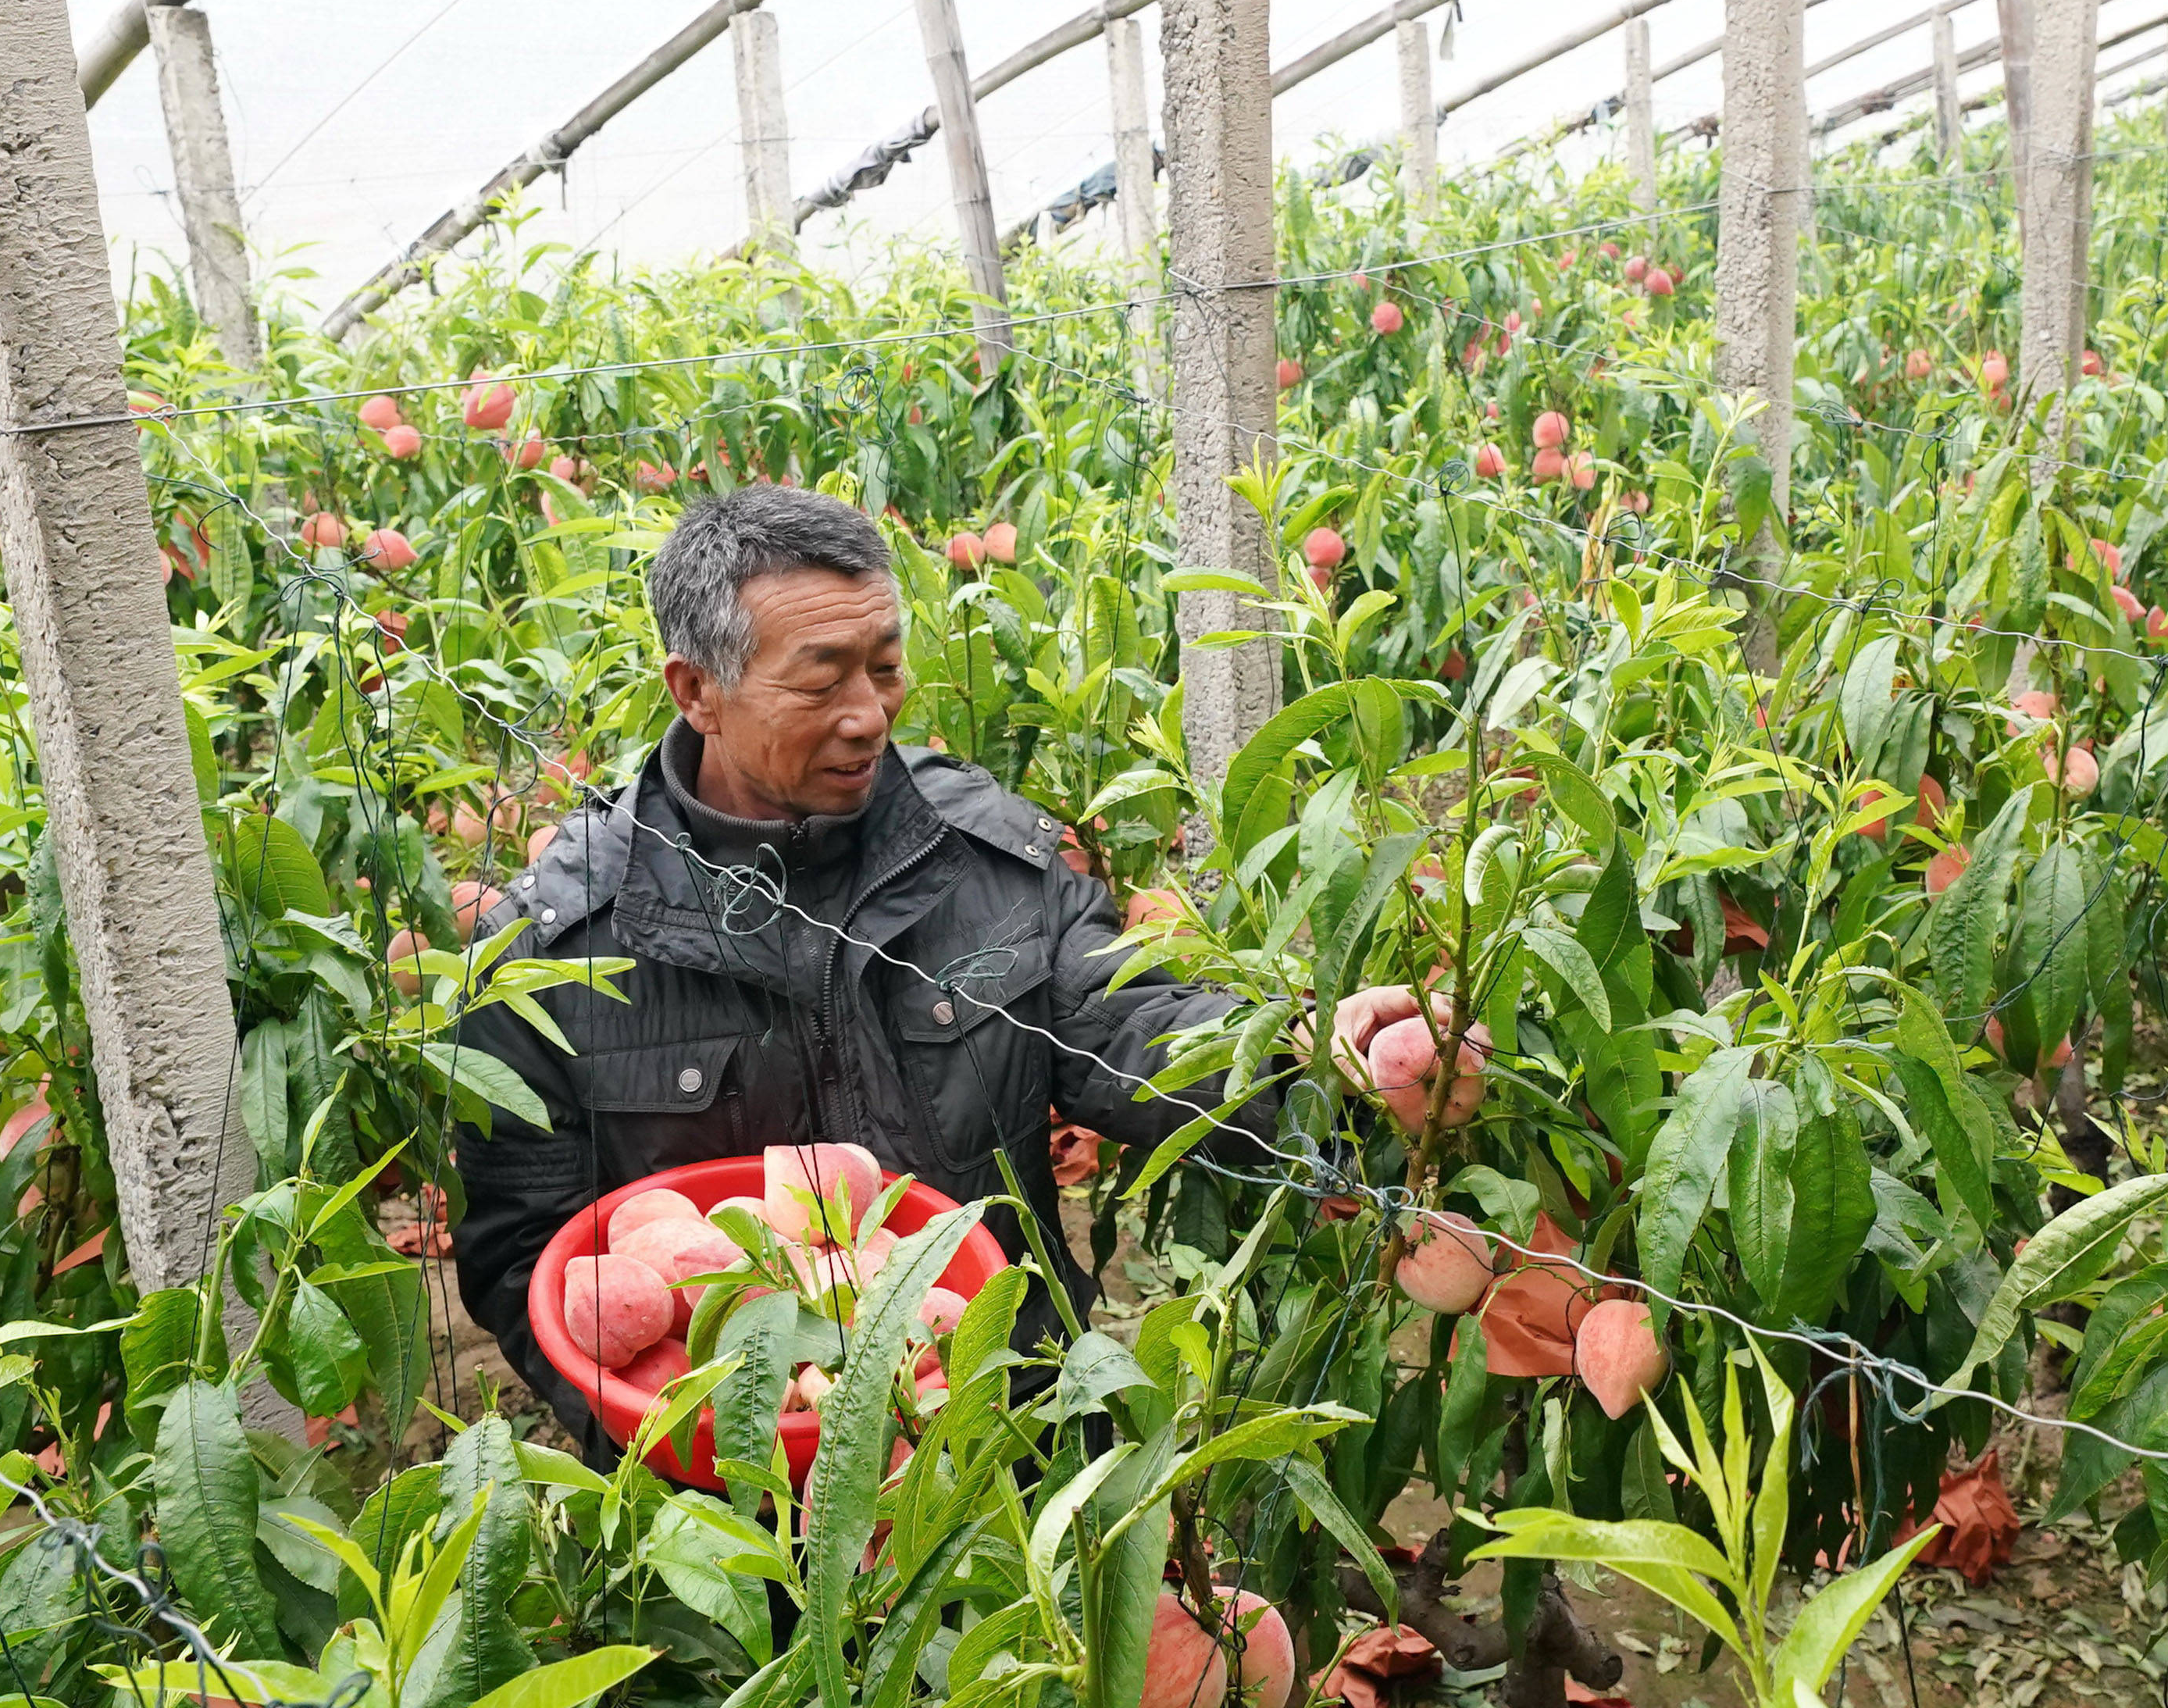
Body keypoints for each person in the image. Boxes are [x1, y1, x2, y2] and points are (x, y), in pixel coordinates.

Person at [446, 483, 1460, 1439]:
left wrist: (1319, 1068)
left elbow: (1132, 1025)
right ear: (697, 691)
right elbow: (522, 1255)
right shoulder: (561, 948)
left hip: (1001, 1426)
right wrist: (681, 1433)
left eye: (883, 666)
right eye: (821, 676)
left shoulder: (984, 851)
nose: (869, 712)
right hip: (722, 1483)